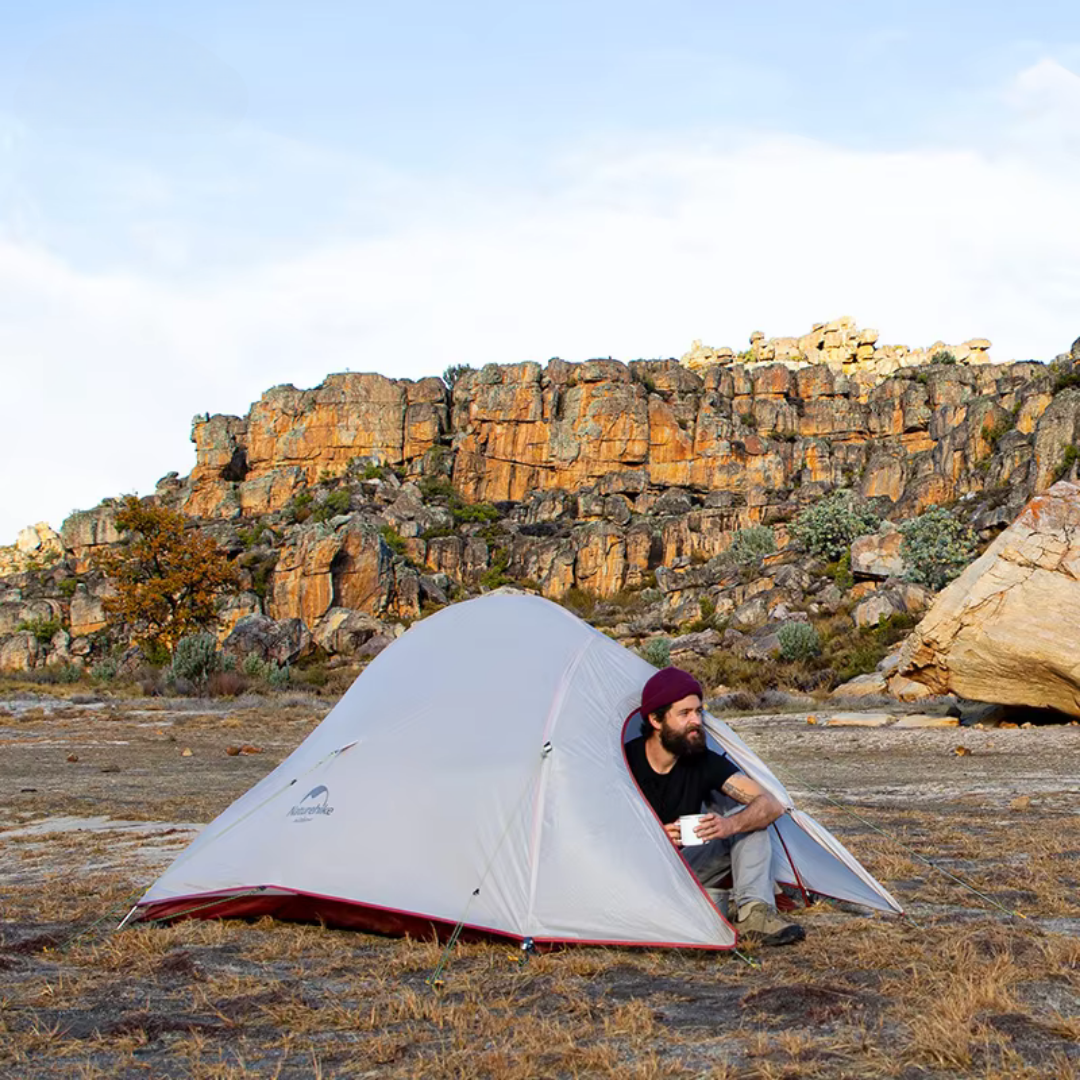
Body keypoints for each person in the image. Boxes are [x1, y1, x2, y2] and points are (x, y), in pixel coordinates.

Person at [625, 666, 805, 946]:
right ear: (656, 720)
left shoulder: (701, 760)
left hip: (685, 865)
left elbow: (772, 804)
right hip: (632, 874)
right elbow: (597, 829)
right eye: (684, 714)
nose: (696, 721)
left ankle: (754, 914)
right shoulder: (625, 761)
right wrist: (654, 835)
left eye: (699, 711)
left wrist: (727, 826)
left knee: (751, 822)